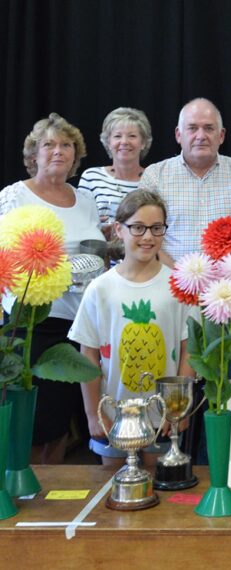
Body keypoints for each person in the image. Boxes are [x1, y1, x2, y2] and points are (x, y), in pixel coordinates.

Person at [0, 113, 105, 464]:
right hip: (32, 323)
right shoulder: (14, 196)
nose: (58, 151)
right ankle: (24, 490)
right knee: (33, 419)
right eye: (49, 145)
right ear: (34, 155)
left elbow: (98, 258)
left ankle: (55, 500)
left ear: (76, 155)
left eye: (66, 145)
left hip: (79, 326)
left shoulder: (85, 200)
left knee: (63, 422)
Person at [69, 190, 196, 467]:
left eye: (156, 228)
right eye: (138, 227)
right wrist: (93, 414)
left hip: (162, 418)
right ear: (119, 229)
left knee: (157, 485)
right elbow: (87, 354)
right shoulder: (100, 288)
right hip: (113, 415)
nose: (148, 237)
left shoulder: (177, 286)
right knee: (114, 486)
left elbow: (189, 350)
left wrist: (178, 409)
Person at [139, 98, 231, 265]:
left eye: (209, 128)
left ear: (221, 136)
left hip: (229, 286)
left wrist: (222, 282)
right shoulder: (154, 175)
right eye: (192, 128)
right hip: (168, 282)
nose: (201, 136)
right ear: (179, 135)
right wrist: (183, 280)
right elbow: (145, 238)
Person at [77, 107, 153, 237]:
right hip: (99, 253)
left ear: (143, 143)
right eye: (117, 136)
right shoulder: (91, 177)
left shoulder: (153, 178)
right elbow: (79, 221)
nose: (124, 142)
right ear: (108, 142)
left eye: (132, 136)